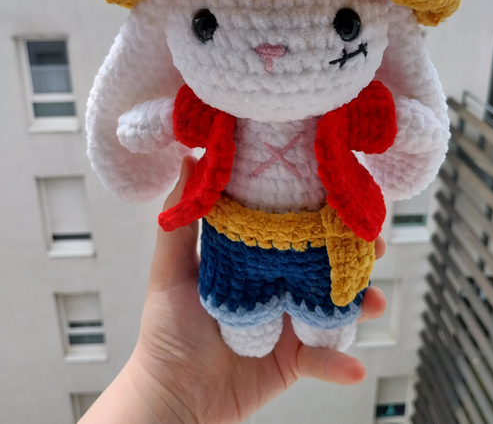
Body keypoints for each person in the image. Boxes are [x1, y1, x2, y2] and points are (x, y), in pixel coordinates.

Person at [81, 156, 387, 424]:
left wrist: (166, 393)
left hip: (319, 245)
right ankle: (263, 318)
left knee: (325, 312)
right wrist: (167, 390)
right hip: (239, 249)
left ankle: (316, 316)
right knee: (248, 314)